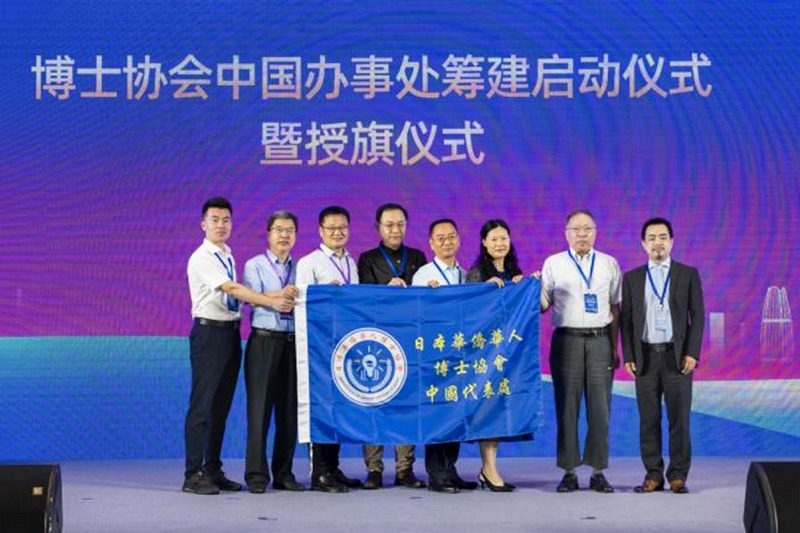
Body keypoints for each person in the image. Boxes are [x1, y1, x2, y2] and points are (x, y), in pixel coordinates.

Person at [184, 197, 296, 495]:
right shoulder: (203, 257)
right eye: (215, 220)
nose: (221, 225)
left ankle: (212, 470)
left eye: (226, 220)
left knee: (220, 407)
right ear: (203, 224)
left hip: (231, 334)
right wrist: (272, 301)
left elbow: (242, 296)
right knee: (202, 406)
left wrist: (275, 296)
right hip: (209, 333)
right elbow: (232, 289)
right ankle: (192, 474)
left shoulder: (228, 255)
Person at [621, 217, 704, 494]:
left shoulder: (687, 274)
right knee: (649, 419)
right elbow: (626, 321)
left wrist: (692, 352)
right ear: (643, 244)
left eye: (663, 237)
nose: (658, 242)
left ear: (672, 242)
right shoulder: (632, 278)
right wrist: (629, 355)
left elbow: (698, 316)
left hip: (676, 358)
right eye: (652, 238)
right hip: (645, 357)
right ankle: (653, 474)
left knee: (679, 420)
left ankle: (678, 475)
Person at [540, 209, 621, 493]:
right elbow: (542, 305)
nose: (582, 234)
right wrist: (529, 288)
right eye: (576, 229)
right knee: (567, 407)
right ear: (566, 234)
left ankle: (598, 472)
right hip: (567, 341)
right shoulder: (553, 263)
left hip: (600, 341)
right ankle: (569, 471)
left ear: (595, 232)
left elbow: (615, 307)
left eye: (587, 229)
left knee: (600, 409)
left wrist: (614, 347)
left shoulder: (609, 263)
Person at [357, 203, 427, 490]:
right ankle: (374, 469)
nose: (395, 230)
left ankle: (404, 469)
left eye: (400, 224)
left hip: (410, 339)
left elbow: (425, 297)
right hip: (377, 342)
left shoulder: (418, 257)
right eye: (389, 225)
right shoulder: (367, 259)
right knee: (374, 403)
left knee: (407, 404)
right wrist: (386, 291)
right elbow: (362, 299)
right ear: (378, 228)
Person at [296, 205, 363, 493]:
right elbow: (302, 302)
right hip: (318, 347)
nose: (338, 232)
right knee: (320, 408)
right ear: (320, 231)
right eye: (332, 228)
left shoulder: (351, 262)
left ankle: (333, 468)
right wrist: (325, 294)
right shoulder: (309, 262)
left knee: (338, 407)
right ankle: (319, 472)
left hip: (344, 347)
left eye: (342, 227)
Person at [412, 219, 478, 494]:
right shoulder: (424, 274)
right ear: (431, 244)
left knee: (456, 411)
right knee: (437, 412)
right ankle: (436, 474)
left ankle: (450, 469)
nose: (447, 242)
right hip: (434, 354)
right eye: (440, 238)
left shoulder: (466, 275)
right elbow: (415, 313)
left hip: (460, 354)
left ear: (459, 240)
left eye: (451, 236)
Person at [242, 211, 305, 493]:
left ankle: (284, 473)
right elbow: (252, 298)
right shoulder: (255, 264)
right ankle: (256, 475)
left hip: (294, 343)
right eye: (279, 229)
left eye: (290, 230)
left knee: (289, 412)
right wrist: (279, 297)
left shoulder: (302, 267)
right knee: (260, 410)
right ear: (268, 234)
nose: (284, 235)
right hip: (264, 342)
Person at [466, 219, 528, 493]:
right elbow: (468, 312)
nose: (500, 243)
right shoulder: (477, 273)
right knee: (487, 409)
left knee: (500, 409)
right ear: (484, 243)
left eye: (504, 238)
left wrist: (525, 286)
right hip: (485, 355)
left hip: (508, 355)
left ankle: (488, 469)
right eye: (494, 239)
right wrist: (484, 292)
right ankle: (489, 469)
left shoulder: (514, 273)